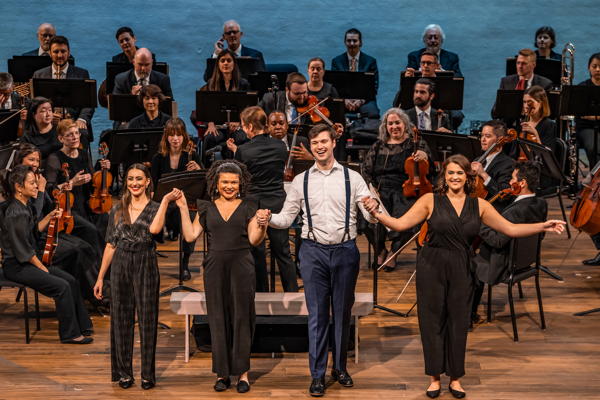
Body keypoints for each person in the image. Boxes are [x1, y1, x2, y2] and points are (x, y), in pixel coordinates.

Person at [361, 154, 565, 399]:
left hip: (462, 266)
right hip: (431, 265)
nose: (455, 177)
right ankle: (434, 377)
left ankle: (456, 378)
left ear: (468, 176)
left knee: (458, 321)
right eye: (450, 173)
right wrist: (375, 212)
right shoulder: (429, 200)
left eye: (460, 173)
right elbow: (399, 224)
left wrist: (542, 225)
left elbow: (509, 229)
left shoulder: (479, 205)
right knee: (432, 321)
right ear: (444, 177)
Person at [257, 124, 381, 396]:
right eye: (315, 143)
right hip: (313, 251)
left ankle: (339, 368)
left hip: (346, 251)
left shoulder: (353, 178)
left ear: (333, 142)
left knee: (342, 312)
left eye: (324, 141)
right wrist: (268, 219)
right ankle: (317, 374)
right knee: (317, 315)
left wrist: (375, 208)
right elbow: (286, 218)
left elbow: (371, 217)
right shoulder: (301, 180)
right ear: (311, 147)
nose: (319, 146)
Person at [177, 160, 267, 393]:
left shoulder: (249, 206)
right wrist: (183, 209)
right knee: (217, 318)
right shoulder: (206, 207)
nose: (229, 186)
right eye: (225, 182)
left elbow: (255, 240)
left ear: (240, 184)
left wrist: (263, 224)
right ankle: (222, 373)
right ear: (216, 183)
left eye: (233, 182)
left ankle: (243, 374)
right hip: (215, 267)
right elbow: (190, 236)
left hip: (242, 265)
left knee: (242, 317)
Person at [93, 164, 180, 390]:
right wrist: (101, 277)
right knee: (121, 318)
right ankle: (124, 373)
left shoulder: (154, 207)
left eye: (139, 179)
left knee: (147, 319)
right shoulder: (117, 209)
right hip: (121, 262)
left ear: (148, 181)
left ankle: (147, 375)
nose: (134, 183)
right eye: (131, 179)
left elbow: (155, 230)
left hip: (145, 261)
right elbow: (111, 244)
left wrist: (164, 202)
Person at [0, 165, 93, 344]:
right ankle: (70, 334)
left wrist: (50, 216)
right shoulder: (15, 212)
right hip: (18, 266)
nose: (37, 186)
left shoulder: (23, 205)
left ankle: (83, 325)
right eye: (32, 183)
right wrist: (43, 268)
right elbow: (23, 251)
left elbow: (33, 232)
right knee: (61, 287)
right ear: (19, 187)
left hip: (26, 262)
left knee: (71, 281)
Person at [15, 143, 106, 305]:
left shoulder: (36, 179)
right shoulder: (19, 183)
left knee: (86, 245)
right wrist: (41, 190)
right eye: (31, 160)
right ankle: (93, 297)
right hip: (34, 238)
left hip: (47, 230)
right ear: (20, 161)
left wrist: (57, 195)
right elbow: (34, 216)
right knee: (76, 250)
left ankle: (97, 291)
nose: (35, 164)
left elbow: (48, 204)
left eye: (37, 160)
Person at [471, 161, 548, 325]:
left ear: (522, 183)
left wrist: (480, 223)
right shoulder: (541, 203)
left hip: (501, 264)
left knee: (466, 264)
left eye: (513, 178)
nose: (509, 183)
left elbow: (497, 241)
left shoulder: (515, 212)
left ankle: (469, 314)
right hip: (524, 260)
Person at [235, 106, 298, 292]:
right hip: (277, 203)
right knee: (283, 252)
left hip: (253, 204)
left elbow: (241, 181)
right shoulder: (281, 146)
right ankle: (292, 294)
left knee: (257, 252)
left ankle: (261, 295)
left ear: (249, 127)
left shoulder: (243, 150)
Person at [362, 108, 431, 271]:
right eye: (390, 123)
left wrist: (423, 155)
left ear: (405, 124)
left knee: (409, 221)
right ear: (385, 126)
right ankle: (380, 250)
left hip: (405, 190)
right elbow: (365, 170)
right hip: (380, 190)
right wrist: (371, 190)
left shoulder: (415, 143)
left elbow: (428, 162)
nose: (394, 126)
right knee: (366, 221)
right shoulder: (378, 145)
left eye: (397, 122)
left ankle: (394, 253)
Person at [150, 117, 201, 279]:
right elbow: (153, 184)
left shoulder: (191, 155)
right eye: (171, 135)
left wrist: (198, 169)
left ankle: (185, 262)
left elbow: (201, 181)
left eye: (179, 135)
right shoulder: (158, 158)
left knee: (191, 220)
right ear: (166, 137)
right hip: (165, 201)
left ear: (184, 136)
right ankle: (149, 261)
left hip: (184, 202)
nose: (175, 139)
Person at [32, 36, 94, 137]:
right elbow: (34, 105)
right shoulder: (39, 75)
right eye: (56, 52)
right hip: (48, 123)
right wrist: (48, 116)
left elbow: (89, 103)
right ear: (50, 54)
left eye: (63, 51)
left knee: (82, 133)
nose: (60, 55)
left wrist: (81, 119)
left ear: (68, 53)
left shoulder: (82, 74)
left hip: (74, 122)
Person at [197, 49, 251, 153]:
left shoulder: (243, 84)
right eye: (222, 61)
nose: (225, 63)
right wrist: (210, 123)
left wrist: (239, 122)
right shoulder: (211, 83)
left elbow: (248, 108)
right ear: (218, 65)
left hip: (237, 126)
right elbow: (206, 107)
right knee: (210, 137)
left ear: (234, 64)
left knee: (242, 138)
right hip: (217, 126)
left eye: (229, 60)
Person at [45, 119, 96, 220]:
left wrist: (97, 175)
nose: (75, 137)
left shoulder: (84, 154)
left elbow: (93, 182)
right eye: (70, 135)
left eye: (77, 133)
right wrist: (72, 182)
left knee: (105, 219)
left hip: (87, 202)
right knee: (91, 230)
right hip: (68, 207)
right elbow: (50, 191)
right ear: (61, 139)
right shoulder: (54, 158)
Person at [331, 28, 380, 118]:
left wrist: (361, 100)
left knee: (373, 115)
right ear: (345, 42)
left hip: (365, 100)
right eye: (349, 41)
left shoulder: (370, 61)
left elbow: (374, 87)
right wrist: (344, 100)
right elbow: (334, 86)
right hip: (343, 100)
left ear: (360, 43)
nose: (352, 44)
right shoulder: (336, 61)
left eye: (355, 41)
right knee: (332, 114)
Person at [470, 120, 515, 211]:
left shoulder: (508, 163)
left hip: (491, 211)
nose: (483, 140)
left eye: (488, 136)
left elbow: (503, 196)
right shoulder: (477, 160)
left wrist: (483, 174)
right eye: (482, 135)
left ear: (499, 139)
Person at [575, 52, 600, 166]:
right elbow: (581, 114)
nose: (598, 69)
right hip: (586, 127)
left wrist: (593, 116)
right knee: (593, 148)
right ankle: (595, 179)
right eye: (594, 66)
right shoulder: (582, 87)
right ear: (589, 68)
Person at [21, 96, 62, 161]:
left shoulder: (60, 129)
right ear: (33, 114)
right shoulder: (27, 137)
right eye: (43, 111)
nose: (48, 114)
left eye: (50, 110)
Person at [521, 85, 557, 149]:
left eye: (529, 102)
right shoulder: (522, 122)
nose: (526, 106)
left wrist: (535, 134)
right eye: (524, 102)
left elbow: (548, 155)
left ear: (540, 103)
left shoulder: (549, 125)